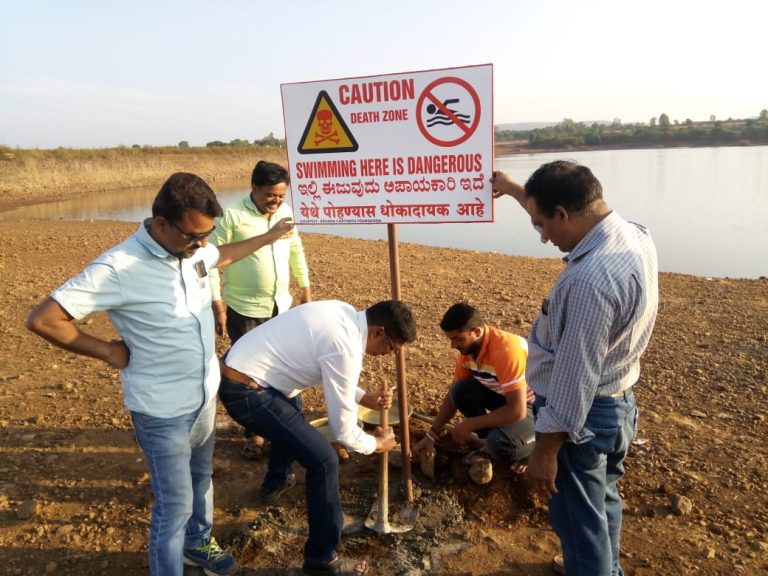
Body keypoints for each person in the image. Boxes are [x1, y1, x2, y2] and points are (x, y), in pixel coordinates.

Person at [25, 172, 294, 576]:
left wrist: (270, 237)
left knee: (202, 478)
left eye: (207, 234)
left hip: (203, 396)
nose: (202, 244)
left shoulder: (193, 251)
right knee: (174, 505)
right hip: (160, 409)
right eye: (193, 235)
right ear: (162, 223)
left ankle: (198, 544)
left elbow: (224, 255)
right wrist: (106, 351)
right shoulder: (118, 267)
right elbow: (44, 319)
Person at [492, 161, 658, 576]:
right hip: (618, 406)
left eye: (542, 225)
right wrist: (516, 190)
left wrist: (546, 450)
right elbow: (553, 207)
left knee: (577, 524)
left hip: (583, 420)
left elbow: (575, 377)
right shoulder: (634, 235)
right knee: (602, 503)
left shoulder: (590, 280)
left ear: (563, 213)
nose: (544, 236)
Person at [218, 299, 417, 575]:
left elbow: (329, 369)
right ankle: (321, 560)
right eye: (391, 347)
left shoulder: (343, 313)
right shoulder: (346, 346)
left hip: (247, 372)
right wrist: (376, 444)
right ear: (378, 332)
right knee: (323, 460)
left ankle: (276, 482)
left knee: (293, 414)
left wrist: (364, 398)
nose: (388, 354)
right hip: (248, 392)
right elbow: (343, 431)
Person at [209, 160, 311, 460]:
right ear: (254, 187)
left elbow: (296, 249)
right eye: (270, 195)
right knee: (249, 372)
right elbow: (212, 261)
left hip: (281, 306)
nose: (276, 202)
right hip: (244, 308)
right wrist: (218, 303)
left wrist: (304, 286)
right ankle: (253, 433)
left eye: (281, 196)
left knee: (286, 365)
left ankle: (289, 425)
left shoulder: (286, 213)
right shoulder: (233, 216)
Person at [412, 302, 535, 469]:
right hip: (506, 399)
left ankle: (531, 449)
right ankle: (490, 439)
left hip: (535, 408)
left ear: (477, 332)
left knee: (502, 444)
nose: (453, 345)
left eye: (458, 339)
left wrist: (470, 424)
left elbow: (517, 410)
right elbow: (453, 395)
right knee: (460, 391)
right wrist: (432, 434)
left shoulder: (506, 350)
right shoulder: (468, 351)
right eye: (450, 339)